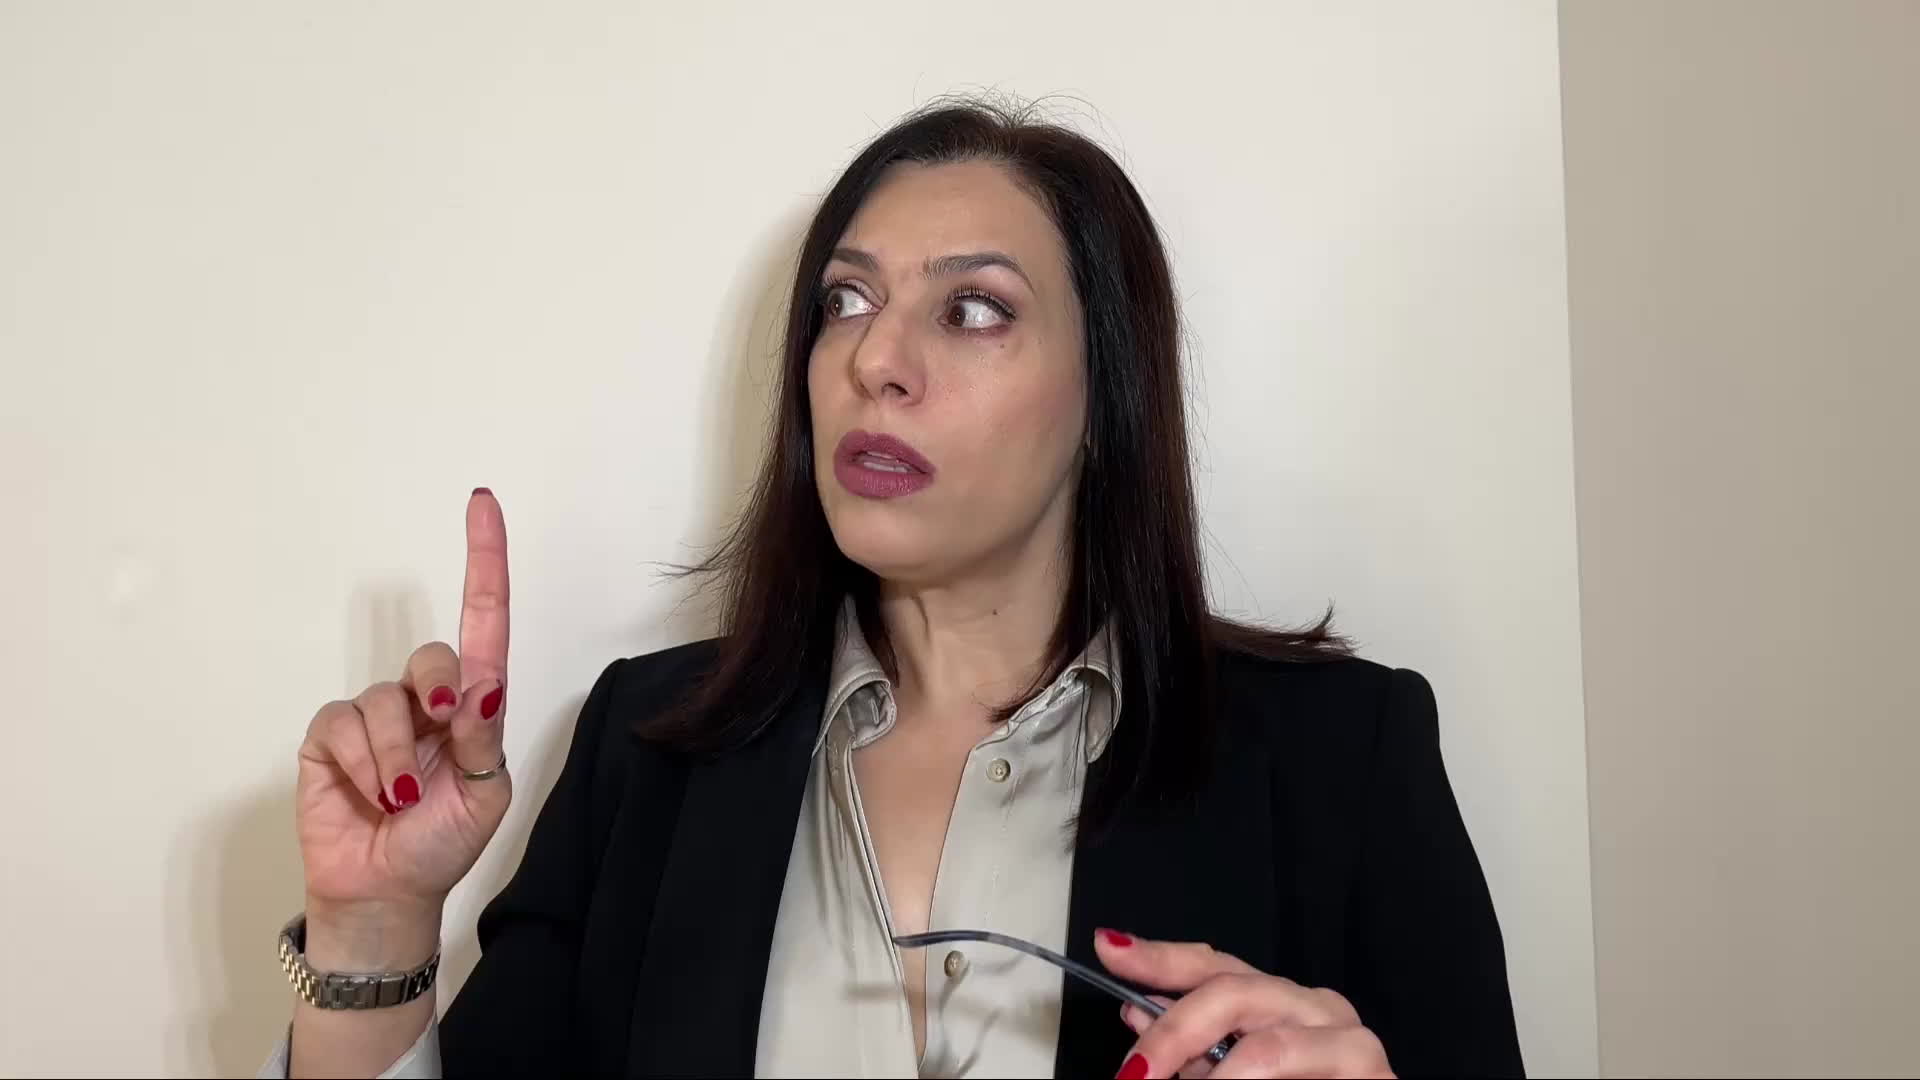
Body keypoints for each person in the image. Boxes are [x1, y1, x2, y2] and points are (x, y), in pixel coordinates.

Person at [266, 99, 1523, 1079]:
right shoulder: (642, 756)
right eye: (846, 300)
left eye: (973, 309)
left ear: (1107, 396)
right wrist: (373, 932)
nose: (876, 357)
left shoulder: (1341, 761)